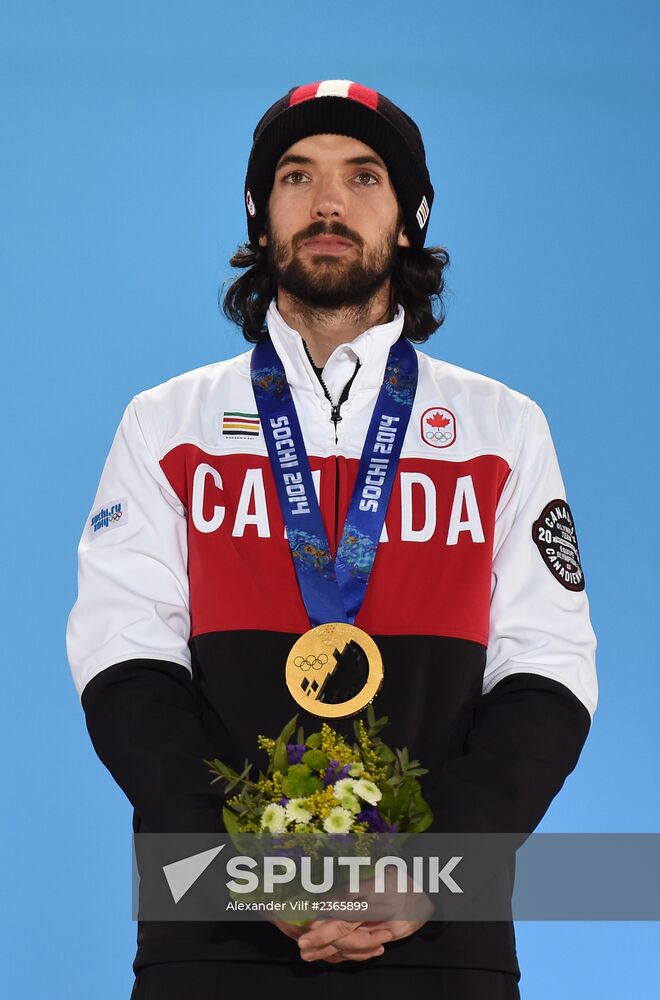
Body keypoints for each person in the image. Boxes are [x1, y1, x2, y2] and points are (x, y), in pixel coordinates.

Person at [66, 80, 598, 999]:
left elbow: (548, 677)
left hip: (440, 939)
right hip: (214, 935)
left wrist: (430, 872)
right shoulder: (165, 423)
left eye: (363, 176)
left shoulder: (504, 429)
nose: (326, 203)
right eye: (296, 175)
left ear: (409, 219)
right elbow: (124, 669)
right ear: (259, 212)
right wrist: (247, 869)